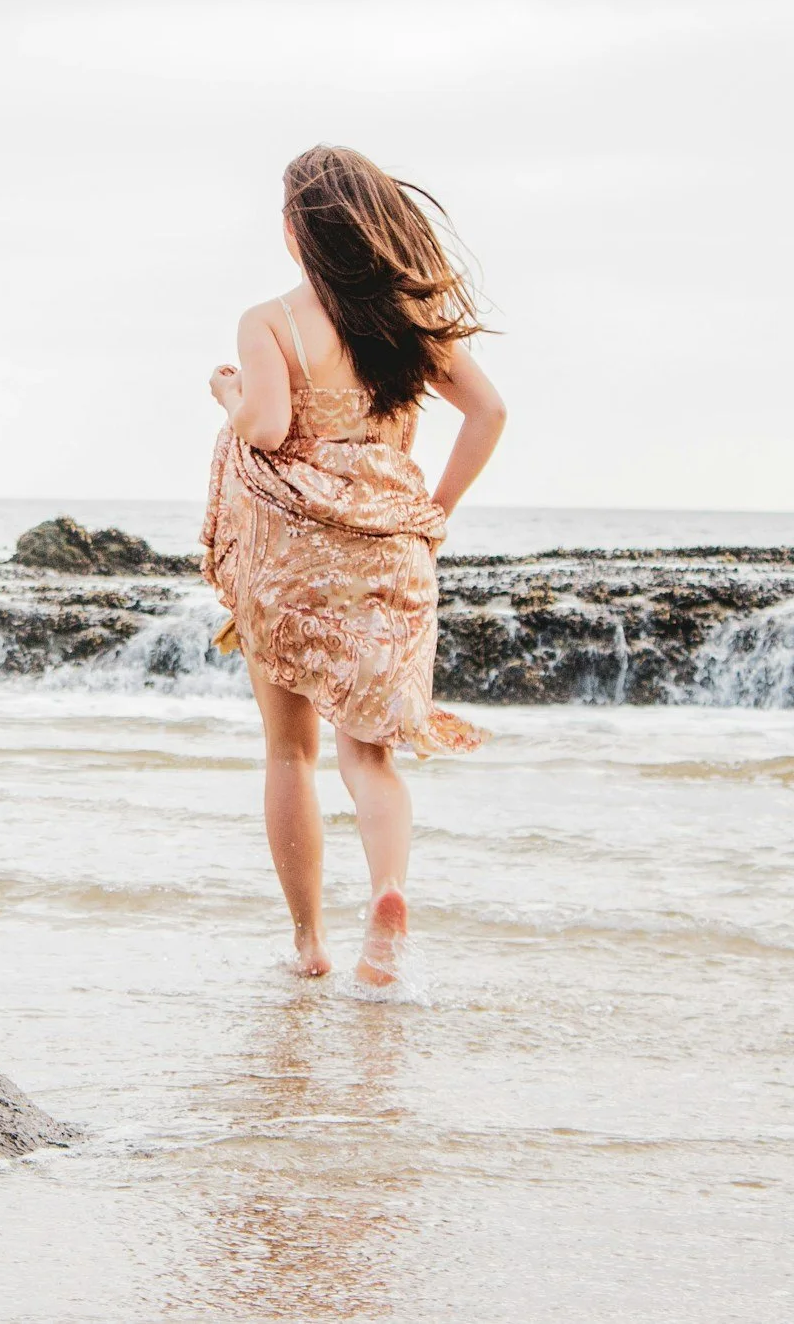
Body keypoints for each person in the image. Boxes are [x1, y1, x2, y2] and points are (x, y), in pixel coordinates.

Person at [202, 145, 506, 985]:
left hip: (290, 556)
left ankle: (309, 943)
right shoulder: (408, 317)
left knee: (289, 750)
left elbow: (263, 428)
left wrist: (227, 395)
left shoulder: (270, 320)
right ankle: (389, 895)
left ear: (301, 231)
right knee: (370, 755)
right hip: (385, 547)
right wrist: (432, 513)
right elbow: (488, 410)